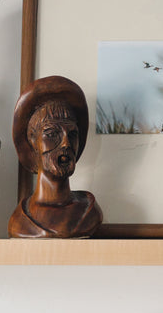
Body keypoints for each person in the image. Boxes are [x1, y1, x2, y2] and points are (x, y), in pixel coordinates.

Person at [8, 76, 103, 238]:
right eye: (52, 134)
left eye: (72, 134)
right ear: (32, 140)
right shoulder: (21, 221)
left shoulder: (88, 212)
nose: (66, 144)